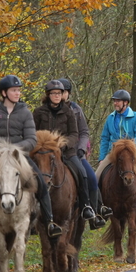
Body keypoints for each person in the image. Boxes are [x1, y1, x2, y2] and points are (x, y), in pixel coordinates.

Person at [0, 75, 62, 239]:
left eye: (19, 90)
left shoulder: (25, 113)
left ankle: (49, 221)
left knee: (40, 182)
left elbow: (31, 139)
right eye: (14, 90)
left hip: (19, 157)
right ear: (4, 93)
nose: (18, 93)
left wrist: (14, 149)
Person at [32, 80, 97, 221]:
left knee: (82, 172)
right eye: (53, 93)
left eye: (59, 93)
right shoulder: (38, 112)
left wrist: (64, 145)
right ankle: (30, 209)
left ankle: (86, 206)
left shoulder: (69, 112)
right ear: (48, 95)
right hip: (43, 153)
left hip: (66, 152)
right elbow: (32, 133)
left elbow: (75, 134)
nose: (56, 95)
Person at [95, 90, 136, 222]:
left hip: (130, 154)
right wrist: (101, 158)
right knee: (96, 177)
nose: (115, 103)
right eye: (114, 101)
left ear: (125, 103)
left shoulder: (135, 117)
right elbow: (105, 138)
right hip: (113, 154)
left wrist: (132, 147)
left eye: (117, 101)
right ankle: (100, 209)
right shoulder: (110, 118)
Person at [58, 78, 111, 229]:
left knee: (91, 178)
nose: (60, 95)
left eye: (63, 92)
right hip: (51, 153)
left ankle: (92, 211)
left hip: (73, 152)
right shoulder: (46, 111)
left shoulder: (76, 110)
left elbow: (84, 132)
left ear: (68, 93)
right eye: (57, 92)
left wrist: (81, 148)